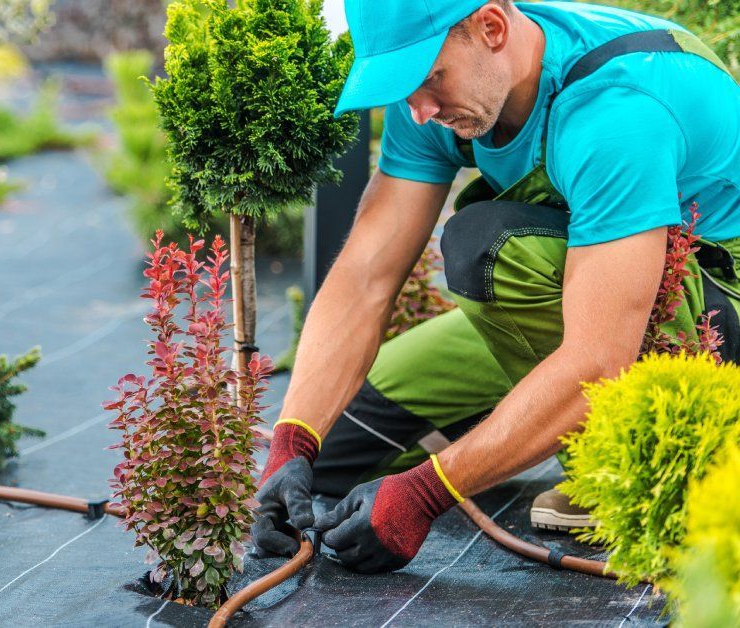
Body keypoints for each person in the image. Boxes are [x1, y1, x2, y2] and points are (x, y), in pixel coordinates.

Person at [252, 0, 740, 573]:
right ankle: (511, 430)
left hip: (707, 317)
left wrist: (428, 491)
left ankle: (613, 471)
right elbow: (366, 278)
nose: (419, 110)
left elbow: (599, 357)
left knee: (491, 248)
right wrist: (293, 439)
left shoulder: (614, 109)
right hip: (586, 294)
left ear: (492, 27)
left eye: (429, 78)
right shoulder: (447, 96)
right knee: (332, 452)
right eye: (404, 87)